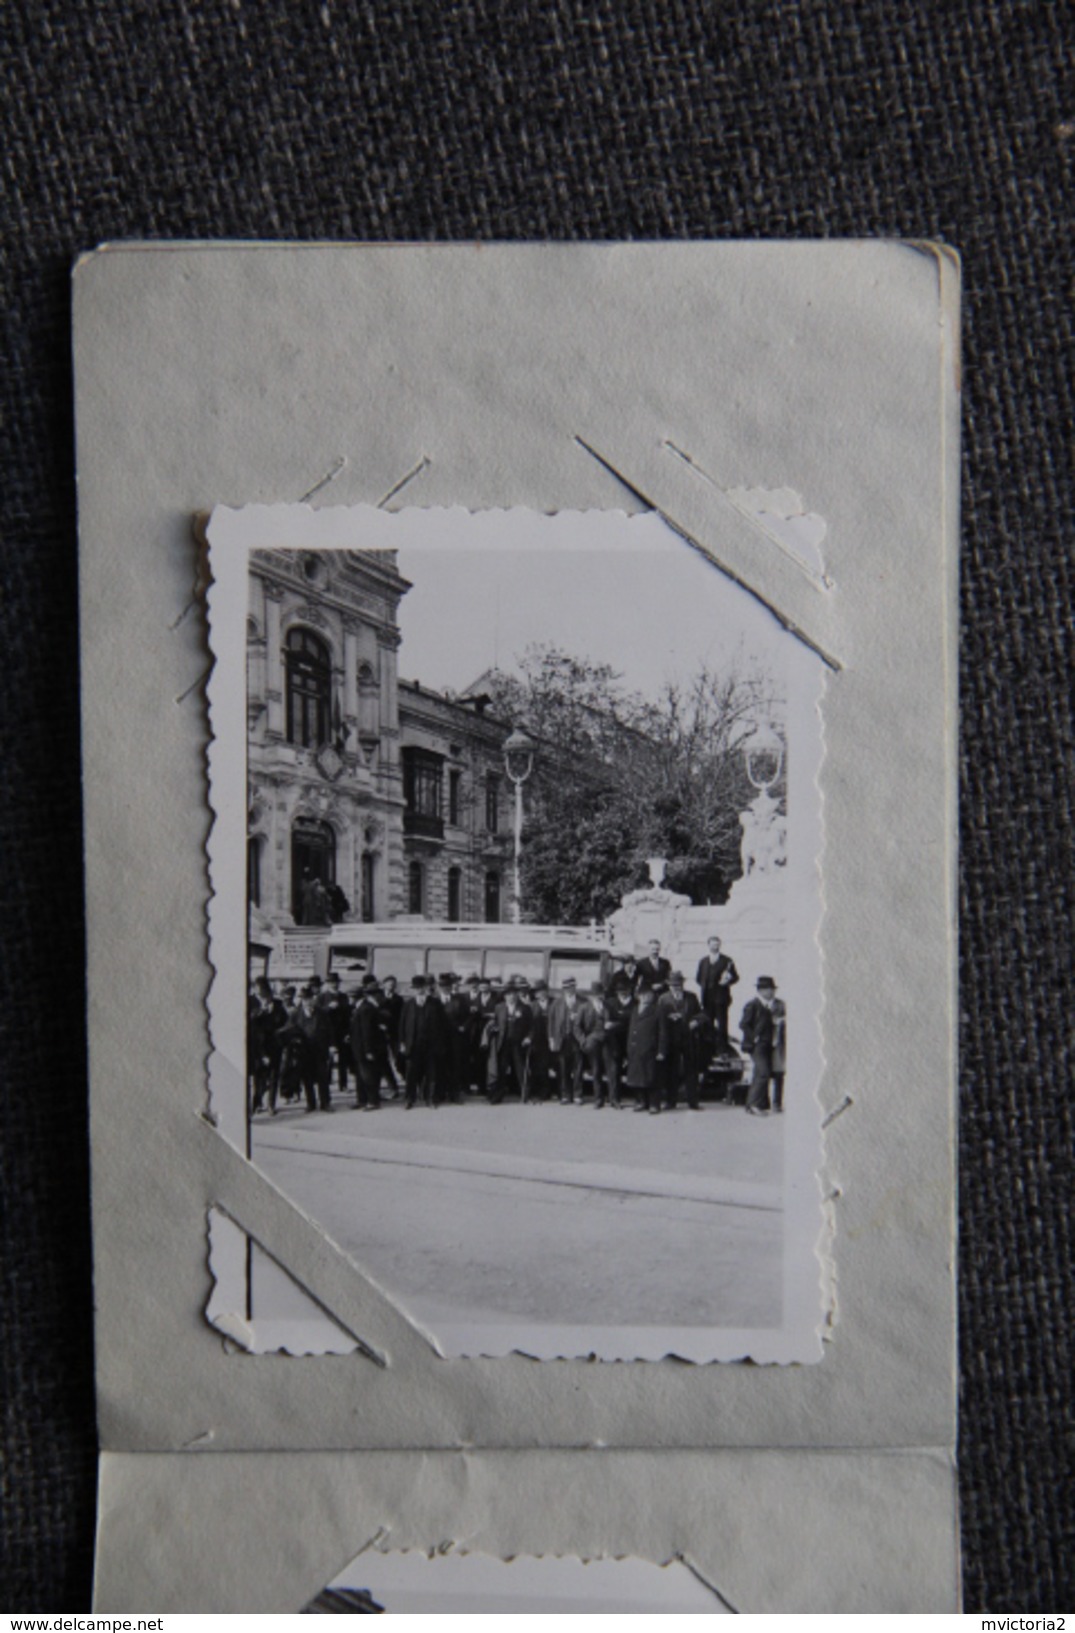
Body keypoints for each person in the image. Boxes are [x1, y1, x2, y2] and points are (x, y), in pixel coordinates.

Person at [657, 970, 705, 1109]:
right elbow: (658, 1018)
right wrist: (669, 1018)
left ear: (682, 984)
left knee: (691, 1070)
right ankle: (671, 1101)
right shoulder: (663, 998)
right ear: (669, 985)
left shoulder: (691, 997)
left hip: (688, 1038)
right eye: (673, 985)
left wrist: (696, 1021)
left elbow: (701, 1014)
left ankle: (693, 1101)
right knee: (671, 1070)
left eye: (678, 985)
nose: (676, 987)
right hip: (671, 1038)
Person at [398, 975, 447, 1108]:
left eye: (421, 987)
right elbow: (402, 1025)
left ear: (426, 988)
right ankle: (409, 1099)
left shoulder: (435, 1003)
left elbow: (443, 1025)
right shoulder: (408, 1004)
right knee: (411, 1074)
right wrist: (402, 1042)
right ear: (413, 989)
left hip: (431, 1045)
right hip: (413, 1045)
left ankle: (430, 1099)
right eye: (416, 988)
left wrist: (440, 1044)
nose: (419, 990)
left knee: (431, 1074)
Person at [739, 976, 782, 1116]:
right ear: (761, 990)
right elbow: (743, 1024)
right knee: (763, 1073)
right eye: (769, 989)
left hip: (769, 1045)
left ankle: (755, 1104)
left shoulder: (770, 1005)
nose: (772, 992)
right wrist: (754, 1038)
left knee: (760, 1073)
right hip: (757, 1045)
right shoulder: (752, 1005)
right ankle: (753, 1105)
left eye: (772, 989)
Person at [548, 975, 588, 1104]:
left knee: (578, 1067)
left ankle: (578, 1095)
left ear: (575, 987)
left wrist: (578, 1018)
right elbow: (551, 1021)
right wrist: (551, 1038)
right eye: (566, 988)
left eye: (571, 987)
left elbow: (588, 1021)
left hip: (577, 1039)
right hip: (562, 1039)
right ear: (563, 989)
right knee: (563, 1068)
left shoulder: (583, 1001)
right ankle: (564, 1095)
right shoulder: (556, 1003)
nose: (569, 990)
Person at [695, 935, 739, 1050]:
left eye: (717, 944)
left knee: (722, 1024)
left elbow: (736, 977)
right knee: (707, 1023)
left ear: (720, 945)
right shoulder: (703, 961)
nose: (715, 946)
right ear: (708, 945)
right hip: (706, 998)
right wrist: (707, 987)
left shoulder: (727, 960)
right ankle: (709, 1049)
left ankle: (722, 1049)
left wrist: (728, 980)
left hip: (721, 998)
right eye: (713, 944)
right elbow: (698, 978)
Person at [491, 980, 532, 1104]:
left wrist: (528, 1037)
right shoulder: (499, 1007)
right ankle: (498, 1095)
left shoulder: (525, 1008)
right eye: (509, 994)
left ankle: (525, 1095)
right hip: (503, 1043)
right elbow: (495, 1022)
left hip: (518, 1044)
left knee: (521, 1069)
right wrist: (494, 1028)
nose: (511, 996)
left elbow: (531, 1026)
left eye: (514, 994)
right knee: (501, 1070)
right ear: (505, 996)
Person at [349, 976, 385, 1110]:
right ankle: (362, 1100)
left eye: (351, 997)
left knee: (368, 1076)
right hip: (359, 1048)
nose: (350, 999)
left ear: (357, 997)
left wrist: (369, 1050)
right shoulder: (360, 1008)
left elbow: (367, 1031)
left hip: (365, 1049)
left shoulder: (365, 1009)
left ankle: (372, 1101)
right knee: (360, 1076)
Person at [625, 982, 662, 1113]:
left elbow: (662, 1032)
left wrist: (661, 1050)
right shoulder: (635, 1010)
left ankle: (654, 1104)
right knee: (637, 1078)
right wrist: (629, 1048)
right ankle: (641, 1101)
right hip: (635, 1049)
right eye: (643, 995)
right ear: (638, 996)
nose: (646, 997)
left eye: (649, 995)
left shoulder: (657, 1010)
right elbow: (631, 1029)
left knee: (651, 1077)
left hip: (650, 1049)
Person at [318, 972, 352, 1095]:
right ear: (327, 984)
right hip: (328, 1031)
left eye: (336, 982)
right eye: (331, 982)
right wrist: (328, 1007)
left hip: (341, 1031)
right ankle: (326, 1082)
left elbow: (348, 1014)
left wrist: (348, 1032)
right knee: (328, 1058)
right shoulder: (322, 997)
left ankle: (343, 1084)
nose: (334, 984)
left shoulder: (343, 996)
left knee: (343, 1058)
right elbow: (317, 1014)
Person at [524, 980, 556, 1103]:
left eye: (542, 991)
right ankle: (537, 1092)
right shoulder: (531, 1005)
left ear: (546, 991)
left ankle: (549, 1091)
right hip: (537, 1040)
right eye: (537, 992)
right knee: (537, 1066)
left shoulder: (554, 1003)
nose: (540, 994)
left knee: (549, 1065)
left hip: (551, 1038)